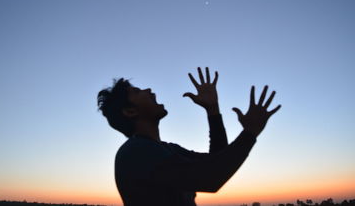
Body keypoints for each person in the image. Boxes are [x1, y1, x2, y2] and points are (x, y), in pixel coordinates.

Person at [97, 67, 281, 206]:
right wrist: (250, 133)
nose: (149, 90)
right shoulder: (136, 152)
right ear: (130, 111)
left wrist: (213, 110)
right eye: (137, 92)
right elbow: (211, 179)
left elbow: (216, 161)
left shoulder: (167, 149)